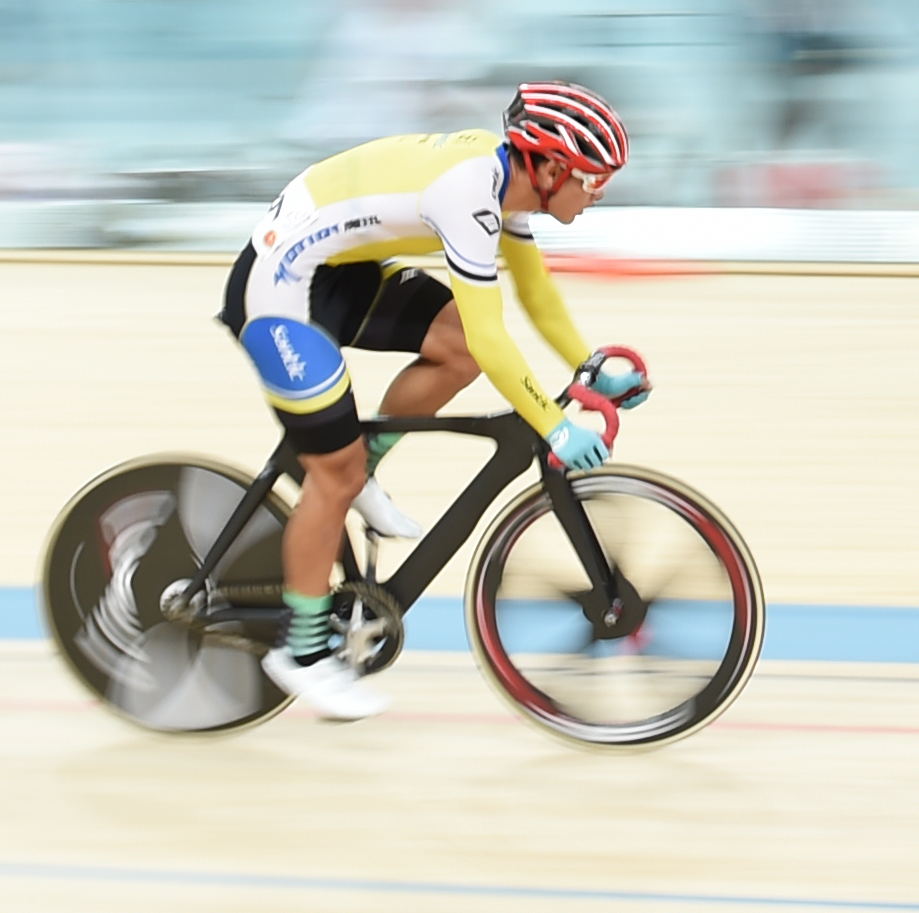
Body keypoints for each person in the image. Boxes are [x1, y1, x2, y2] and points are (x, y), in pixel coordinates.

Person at [217, 82, 648, 720]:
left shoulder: (511, 186)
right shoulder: (469, 198)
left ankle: (362, 462)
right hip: (279, 288)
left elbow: (534, 294)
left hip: (337, 268)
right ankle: (302, 653)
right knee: (333, 477)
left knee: (454, 349)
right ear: (552, 168)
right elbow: (493, 333)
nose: (598, 193)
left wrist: (586, 365)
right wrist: (554, 427)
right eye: (592, 179)